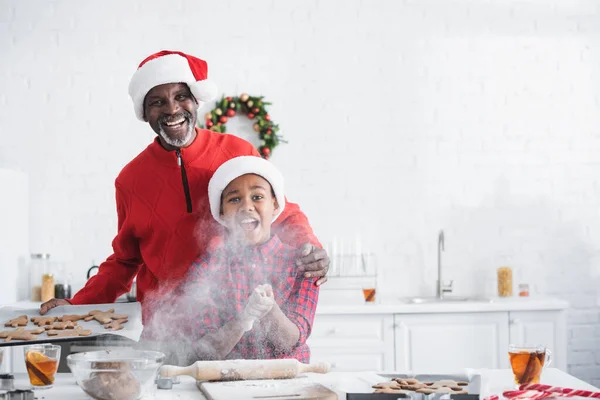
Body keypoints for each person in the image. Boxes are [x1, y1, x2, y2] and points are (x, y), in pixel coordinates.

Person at [39, 50, 329, 324]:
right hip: (163, 323)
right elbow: (124, 260)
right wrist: (78, 304)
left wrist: (310, 247)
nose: (172, 109)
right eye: (157, 102)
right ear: (145, 111)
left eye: (181, 96)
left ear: (196, 101)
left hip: (234, 321)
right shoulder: (130, 179)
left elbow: (283, 213)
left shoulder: (237, 151)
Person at [147, 156, 319, 364]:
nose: (246, 206)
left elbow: (290, 343)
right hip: (225, 382)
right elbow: (206, 352)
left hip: (290, 383)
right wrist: (243, 320)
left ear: (274, 204)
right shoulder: (206, 268)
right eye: (234, 199)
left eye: (257, 197)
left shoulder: (302, 264)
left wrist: (269, 310)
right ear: (222, 212)